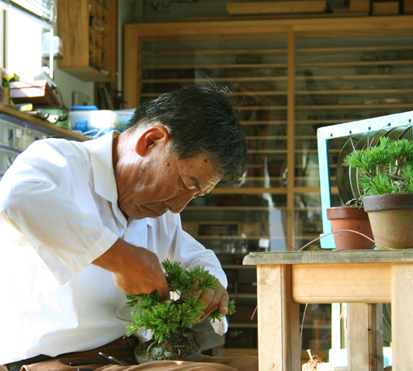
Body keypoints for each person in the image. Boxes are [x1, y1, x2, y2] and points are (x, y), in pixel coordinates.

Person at [0, 83, 257, 371]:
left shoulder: (160, 210)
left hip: (131, 357)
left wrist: (211, 284)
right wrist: (120, 259)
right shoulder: (60, 162)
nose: (178, 206)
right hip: (52, 363)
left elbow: (195, 257)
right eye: (186, 184)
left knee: (265, 364)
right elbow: (16, 196)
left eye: (195, 195)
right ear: (150, 141)